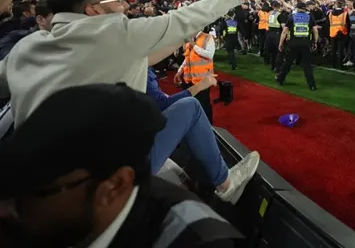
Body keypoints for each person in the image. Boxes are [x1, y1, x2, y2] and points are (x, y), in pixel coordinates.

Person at [0, 0, 260, 126]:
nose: (125, 4)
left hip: (32, 185)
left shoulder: (27, 45)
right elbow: (184, 18)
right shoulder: (117, 34)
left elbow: (141, 58)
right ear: (94, 10)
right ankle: (224, 184)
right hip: (106, 183)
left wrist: (180, 40)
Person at [0, 84, 241, 248]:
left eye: (25, 195)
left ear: (113, 186)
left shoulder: (193, 239)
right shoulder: (46, 219)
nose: (4, 209)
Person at [147, 67, 260, 203]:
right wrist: (200, 86)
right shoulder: (134, 62)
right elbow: (163, 105)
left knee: (184, 182)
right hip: (129, 165)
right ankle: (226, 185)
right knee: (191, 107)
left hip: (123, 153)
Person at [175, 26, 216, 121]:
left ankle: (208, 127)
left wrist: (194, 46)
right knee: (190, 103)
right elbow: (187, 58)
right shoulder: (189, 39)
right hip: (189, 78)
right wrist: (179, 71)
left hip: (203, 79)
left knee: (204, 104)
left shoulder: (208, 38)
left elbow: (209, 55)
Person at [275, 2, 318, 90]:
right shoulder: (309, 17)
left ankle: (280, 79)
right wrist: (315, 42)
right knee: (307, 65)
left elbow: (284, 31)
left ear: (297, 8)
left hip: (293, 43)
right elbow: (315, 30)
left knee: (288, 63)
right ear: (305, 8)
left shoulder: (292, 17)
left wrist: (281, 43)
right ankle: (312, 85)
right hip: (306, 43)